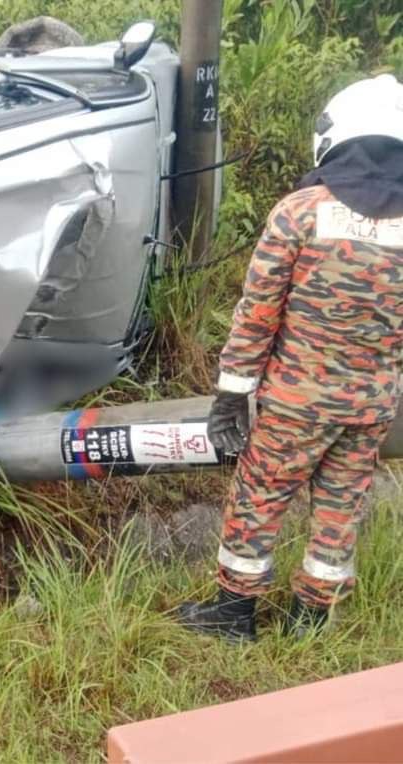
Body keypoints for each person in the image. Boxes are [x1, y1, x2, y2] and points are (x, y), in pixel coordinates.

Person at [179, 74, 403, 642]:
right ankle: (311, 620)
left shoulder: (300, 212)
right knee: (341, 508)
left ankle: (233, 614)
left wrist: (233, 392)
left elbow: (258, 313)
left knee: (259, 496)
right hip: (372, 405)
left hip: (295, 403)